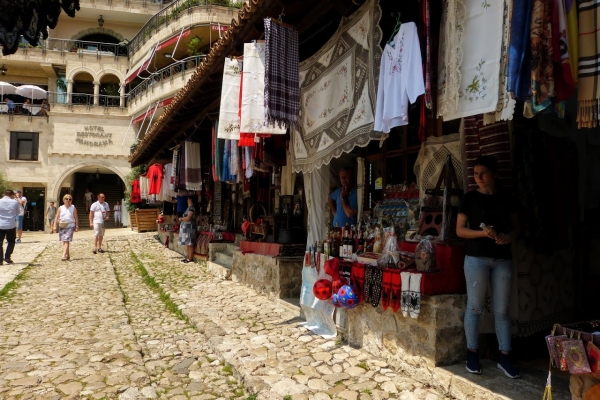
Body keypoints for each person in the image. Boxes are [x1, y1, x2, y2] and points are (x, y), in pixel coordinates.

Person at [456, 155, 520, 379]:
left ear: (495, 174)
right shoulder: (469, 198)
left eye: (483, 173)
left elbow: (516, 228)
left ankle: (505, 356)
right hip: (476, 258)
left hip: (502, 258)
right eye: (475, 174)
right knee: (475, 307)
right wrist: (482, 233)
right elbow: (460, 230)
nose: (478, 178)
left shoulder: (507, 198)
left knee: (502, 310)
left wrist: (507, 237)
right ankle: (472, 354)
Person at [54, 194, 78, 261]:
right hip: (62, 225)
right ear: (64, 200)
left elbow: (76, 217)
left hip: (70, 225)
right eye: (67, 199)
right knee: (64, 241)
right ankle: (67, 255)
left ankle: (63, 255)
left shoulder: (73, 207)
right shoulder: (60, 208)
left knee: (67, 240)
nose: (68, 200)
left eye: (70, 199)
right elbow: (57, 217)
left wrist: (77, 226)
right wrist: (54, 226)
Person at [0, 190, 20, 264]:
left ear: (4, 194)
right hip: (10, 225)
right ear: (12, 195)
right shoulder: (14, 202)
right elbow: (18, 212)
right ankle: (7, 257)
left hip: (0, 224)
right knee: (11, 241)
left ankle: (0, 260)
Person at [177, 196, 196, 263]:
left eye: (188, 199)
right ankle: (187, 256)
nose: (187, 200)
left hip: (190, 227)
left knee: (190, 243)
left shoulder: (192, 208)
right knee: (188, 243)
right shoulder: (188, 208)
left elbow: (188, 218)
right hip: (186, 227)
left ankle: (190, 258)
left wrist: (182, 219)